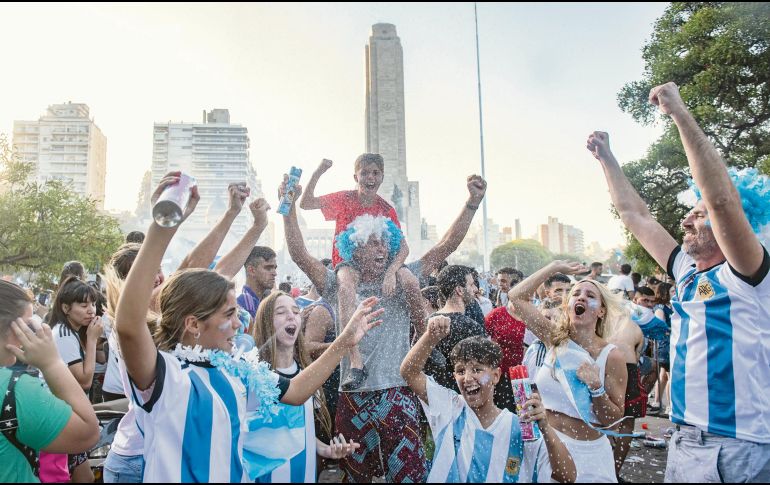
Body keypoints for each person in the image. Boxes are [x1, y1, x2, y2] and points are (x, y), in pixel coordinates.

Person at [115, 173, 383, 483]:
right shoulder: (165, 372)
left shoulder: (237, 369)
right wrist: (164, 225)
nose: (240, 321)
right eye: (229, 313)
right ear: (193, 324)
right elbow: (129, 326)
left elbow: (295, 391)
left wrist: (346, 340)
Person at [587, 81, 770, 482]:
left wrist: (678, 114)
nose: (686, 219)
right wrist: (607, 159)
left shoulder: (747, 271)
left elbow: (721, 199)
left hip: (739, 446)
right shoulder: (687, 270)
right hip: (685, 439)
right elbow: (636, 215)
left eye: (698, 214)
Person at [102, 184, 270, 484]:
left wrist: (244, 220)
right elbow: (195, 269)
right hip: (135, 460)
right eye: (146, 273)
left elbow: (210, 277)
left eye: (158, 271)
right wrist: (166, 222)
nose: (159, 277)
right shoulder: (130, 327)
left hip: (171, 450)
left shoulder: (171, 317)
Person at [284, 181, 428, 483]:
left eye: (382, 243)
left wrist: (472, 204)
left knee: (409, 477)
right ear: (355, 249)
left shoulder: (401, 281)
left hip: (397, 393)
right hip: (353, 397)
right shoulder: (338, 284)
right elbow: (299, 254)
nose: (380, 249)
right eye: (371, 243)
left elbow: (445, 247)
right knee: (356, 477)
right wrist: (288, 209)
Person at [399, 317, 577, 483]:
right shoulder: (451, 407)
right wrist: (430, 337)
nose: (467, 378)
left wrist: (545, 427)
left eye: (476, 369)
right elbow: (409, 372)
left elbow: (567, 476)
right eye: (461, 371)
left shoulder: (522, 427)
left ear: (496, 375)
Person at [299, 155, 420, 390]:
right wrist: (319, 171)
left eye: (375, 173)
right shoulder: (344, 198)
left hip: (384, 263)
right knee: (345, 287)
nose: (370, 177)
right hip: (349, 262)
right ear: (356, 176)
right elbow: (305, 203)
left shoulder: (386, 209)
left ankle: (424, 342)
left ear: (382, 177)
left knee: (411, 281)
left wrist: (392, 271)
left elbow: (403, 247)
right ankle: (356, 362)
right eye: (365, 173)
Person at [509, 261, 628, 482]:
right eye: (576, 294)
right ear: (568, 305)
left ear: (601, 311)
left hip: (589, 453)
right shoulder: (554, 339)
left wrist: (596, 387)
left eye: (590, 296)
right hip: (546, 445)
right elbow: (516, 296)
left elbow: (613, 420)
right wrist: (554, 267)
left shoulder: (612, 356)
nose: (581, 297)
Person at [250, 291, 359, 482]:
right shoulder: (255, 375)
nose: (291, 315)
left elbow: (299, 428)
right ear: (266, 322)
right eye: (281, 312)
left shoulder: (306, 374)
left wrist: (324, 449)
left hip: (304, 473)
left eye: (295, 311)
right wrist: (345, 340)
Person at [0, 280, 100, 483]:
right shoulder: (14, 389)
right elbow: (89, 432)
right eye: (27, 325)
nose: (90, 310)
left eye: (93, 304)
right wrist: (52, 362)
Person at [44, 276, 104, 483]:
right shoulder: (64, 335)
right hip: (64, 415)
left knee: (82, 474)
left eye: (93, 304)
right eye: (83, 305)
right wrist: (93, 339)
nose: (91, 310)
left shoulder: (71, 332)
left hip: (68, 413)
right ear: (66, 308)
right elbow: (85, 380)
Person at [427, 266, 488, 394]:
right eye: (471, 285)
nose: (475, 289)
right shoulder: (471, 327)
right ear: (459, 290)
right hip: (463, 396)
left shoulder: (429, 322)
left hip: (433, 395)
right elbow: (482, 371)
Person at [237, 246, 278, 320]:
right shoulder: (243, 305)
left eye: (275, 268)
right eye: (268, 268)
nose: (275, 273)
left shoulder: (267, 300)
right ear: (252, 270)